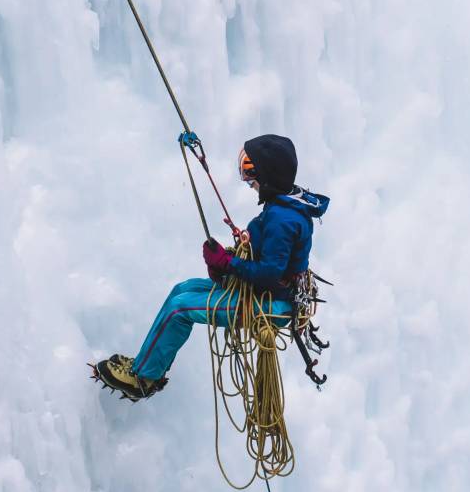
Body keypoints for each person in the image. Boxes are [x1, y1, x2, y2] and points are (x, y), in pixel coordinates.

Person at [94, 133, 330, 400]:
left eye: (250, 171)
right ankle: (150, 363)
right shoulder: (285, 204)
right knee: (182, 289)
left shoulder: (281, 218)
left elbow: (269, 273)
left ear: (268, 177)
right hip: (271, 294)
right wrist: (231, 259)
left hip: (272, 305)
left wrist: (228, 263)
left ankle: (144, 378)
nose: (247, 179)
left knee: (180, 309)